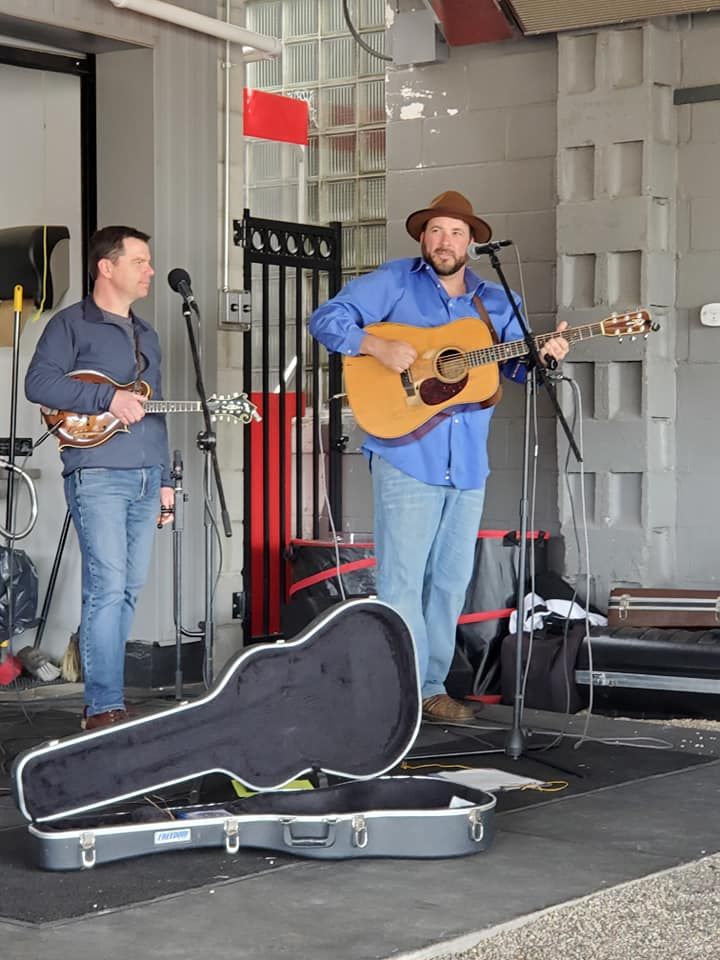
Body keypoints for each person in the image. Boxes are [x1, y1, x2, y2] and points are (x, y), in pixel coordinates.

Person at [309, 191, 569, 722]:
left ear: (472, 241)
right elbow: (327, 318)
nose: (443, 241)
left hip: (468, 460)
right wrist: (374, 346)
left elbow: (516, 370)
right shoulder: (395, 280)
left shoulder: (496, 301)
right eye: (434, 231)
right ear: (422, 237)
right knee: (402, 578)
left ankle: (430, 687)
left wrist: (544, 355)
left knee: (449, 581)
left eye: (454, 232)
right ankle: (399, 688)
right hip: (407, 451)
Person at [25, 226, 174, 731]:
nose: (150, 270)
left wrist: (168, 476)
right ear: (106, 267)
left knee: (129, 588)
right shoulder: (71, 325)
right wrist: (107, 398)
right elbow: (39, 383)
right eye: (140, 261)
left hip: (146, 476)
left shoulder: (148, 334)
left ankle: (107, 697)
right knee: (107, 588)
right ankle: (103, 705)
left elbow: (155, 410)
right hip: (98, 475)